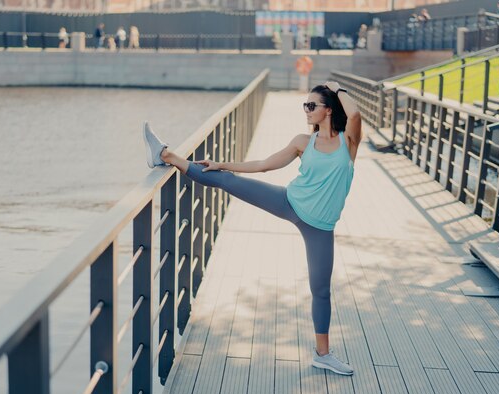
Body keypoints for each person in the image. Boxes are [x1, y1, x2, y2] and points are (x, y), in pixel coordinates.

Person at [141, 81, 362, 376]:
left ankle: (323, 354)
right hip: (290, 202)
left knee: (320, 290)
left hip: (320, 226)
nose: (306, 111)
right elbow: (264, 165)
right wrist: (222, 163)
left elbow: (356, 116)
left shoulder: (348, 144)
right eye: (304, 105)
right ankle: (166, 155)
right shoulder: (302, 142)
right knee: (228, 180)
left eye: (312, 106)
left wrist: (338, 88)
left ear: (329, 110)